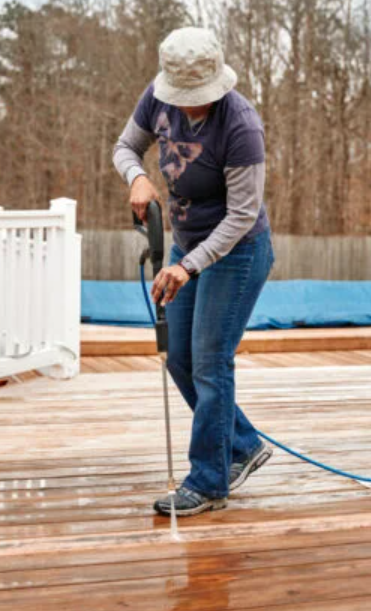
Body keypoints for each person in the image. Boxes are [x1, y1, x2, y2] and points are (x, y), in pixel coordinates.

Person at [112, 27, 275, 516]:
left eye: (195, 101)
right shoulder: (156, 99)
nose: (187, 109)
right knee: (179, 357)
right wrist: (138, 177)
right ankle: (243, 445)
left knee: (209, 360)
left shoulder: (241, 124)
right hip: (186, 247)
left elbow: (242, 215)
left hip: (236, 252)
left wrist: (188, 265)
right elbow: (125, 147)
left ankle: (208, 481)